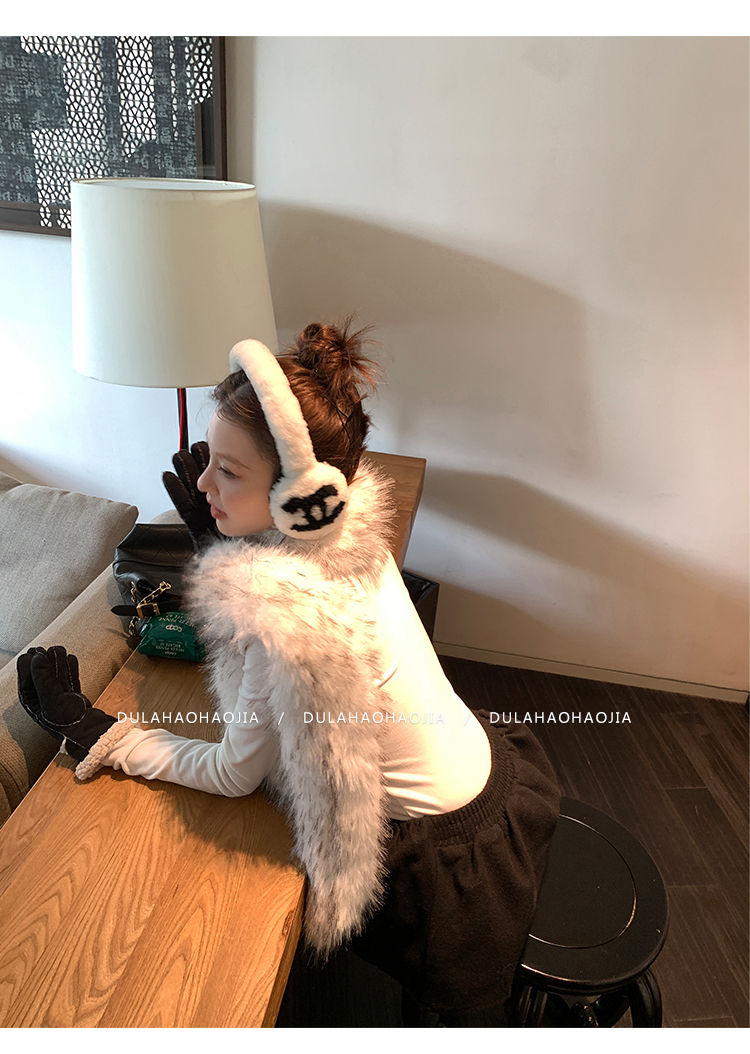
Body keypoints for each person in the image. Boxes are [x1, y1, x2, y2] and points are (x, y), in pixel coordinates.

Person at [17, 319, 560, 1019]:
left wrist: (101, 733)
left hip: (446, 868)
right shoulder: (346, 534)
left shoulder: (284, 622)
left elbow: (233, 774)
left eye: (229, 471)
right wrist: (221, 537)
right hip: (487, 775)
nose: (203, 481)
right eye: (211, 461)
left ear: (298, 498)